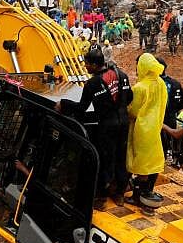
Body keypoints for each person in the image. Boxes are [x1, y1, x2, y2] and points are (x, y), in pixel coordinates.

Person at [57, 45, 132, 204]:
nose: (85, 67)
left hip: (107, 126)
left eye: (87, 64)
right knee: (120, 157)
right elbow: (129, 97)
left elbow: (81, 108)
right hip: (124, 124)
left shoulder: (92, 83)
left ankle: (101, 197)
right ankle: (119, 194)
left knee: (105, 159)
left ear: (95, 65)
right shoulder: (122, 75)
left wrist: (63, 104)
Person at [127, 53, 168, 208]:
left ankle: (136, 196)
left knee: (140, 164)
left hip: (142, 129)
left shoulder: (139, 87)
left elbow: (133, 111)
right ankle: (146, 192)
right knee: (151, 162)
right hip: (156, 127)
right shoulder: (161, 83)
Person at [159, 59, 183, 164]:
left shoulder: (156, 83)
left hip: (161, 117)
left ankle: (166, 161)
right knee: (168, 140)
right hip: (171, 116)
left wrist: (174, 109)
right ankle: (171, 160)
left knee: (163, 141)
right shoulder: (174, 83)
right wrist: (175, 109)